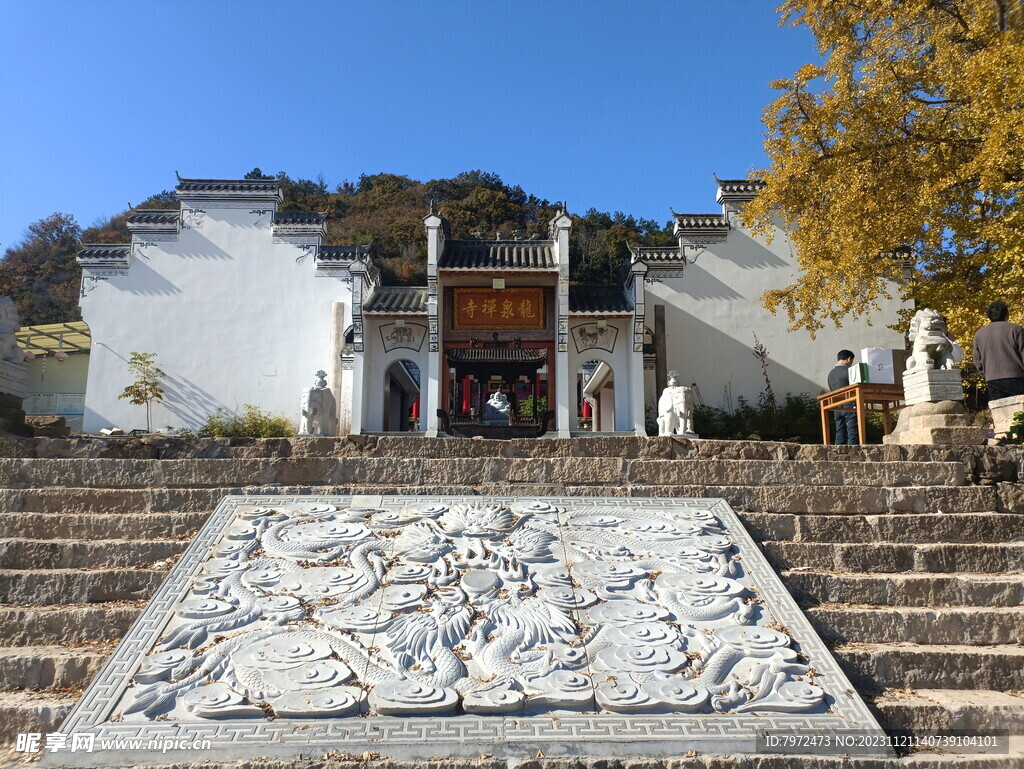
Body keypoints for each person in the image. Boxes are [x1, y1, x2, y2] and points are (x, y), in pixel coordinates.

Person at [972, 301, 1024, 400]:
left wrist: (986, 372)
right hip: (1016, 377)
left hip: (992, 379)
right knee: (1020, 411)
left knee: (999, 411)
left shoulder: (979, 334)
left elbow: (977, 361)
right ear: (1007, 314)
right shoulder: (1016, 329)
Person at [827, 350, 859, 444]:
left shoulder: (830, 374)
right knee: (851, 428)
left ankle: (838, 450)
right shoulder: (850, 371)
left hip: (836, 404)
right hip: (849, 402)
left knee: (839, 429)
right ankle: (853, 450)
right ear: (849, 358)